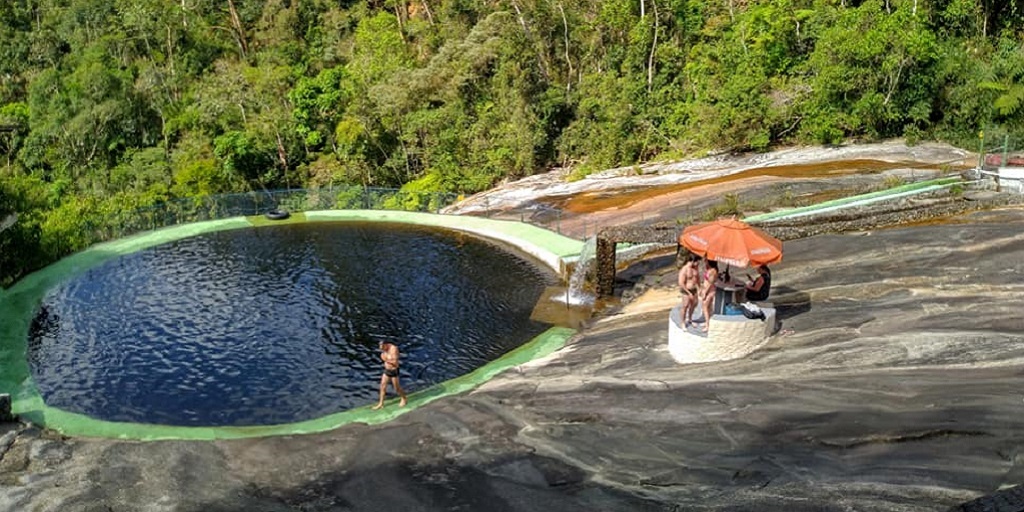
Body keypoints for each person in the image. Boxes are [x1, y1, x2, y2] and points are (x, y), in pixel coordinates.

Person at [372, 341, 407, 410]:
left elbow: (395, 363)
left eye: (383, 348)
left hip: (394, 370)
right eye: (381, 348)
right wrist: (385, 359)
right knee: (382, 386)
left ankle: (404, 398)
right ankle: (381, 403)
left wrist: (386, 360)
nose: (382, 350)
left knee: (396, 388)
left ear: (386, 345)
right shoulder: (384, 350)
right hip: (387, 370)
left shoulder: (393, 349)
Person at [678, 254, 700, 327]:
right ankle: (683, 323)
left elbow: (697, 278)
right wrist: (688, 292)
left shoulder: (695, 268)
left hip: (694, 289)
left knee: (694, 304)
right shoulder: (684, 270)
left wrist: (699, 288)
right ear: (693, 261)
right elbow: (681, 283)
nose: (698, 263)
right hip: (686, 291)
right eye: (697, 261)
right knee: (685, 306)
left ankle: (690, 318)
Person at [697, 259, 719, 333]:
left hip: (709, 291)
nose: (705, 262)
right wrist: (702, 289)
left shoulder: (713, 271)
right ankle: (707, 322)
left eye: (706, 261)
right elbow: (705, 281)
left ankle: (708, 325)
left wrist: (705, 293)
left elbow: (710, 283)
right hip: (706, 290)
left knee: (705, 307)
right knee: (707, 307)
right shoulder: (709, 269)